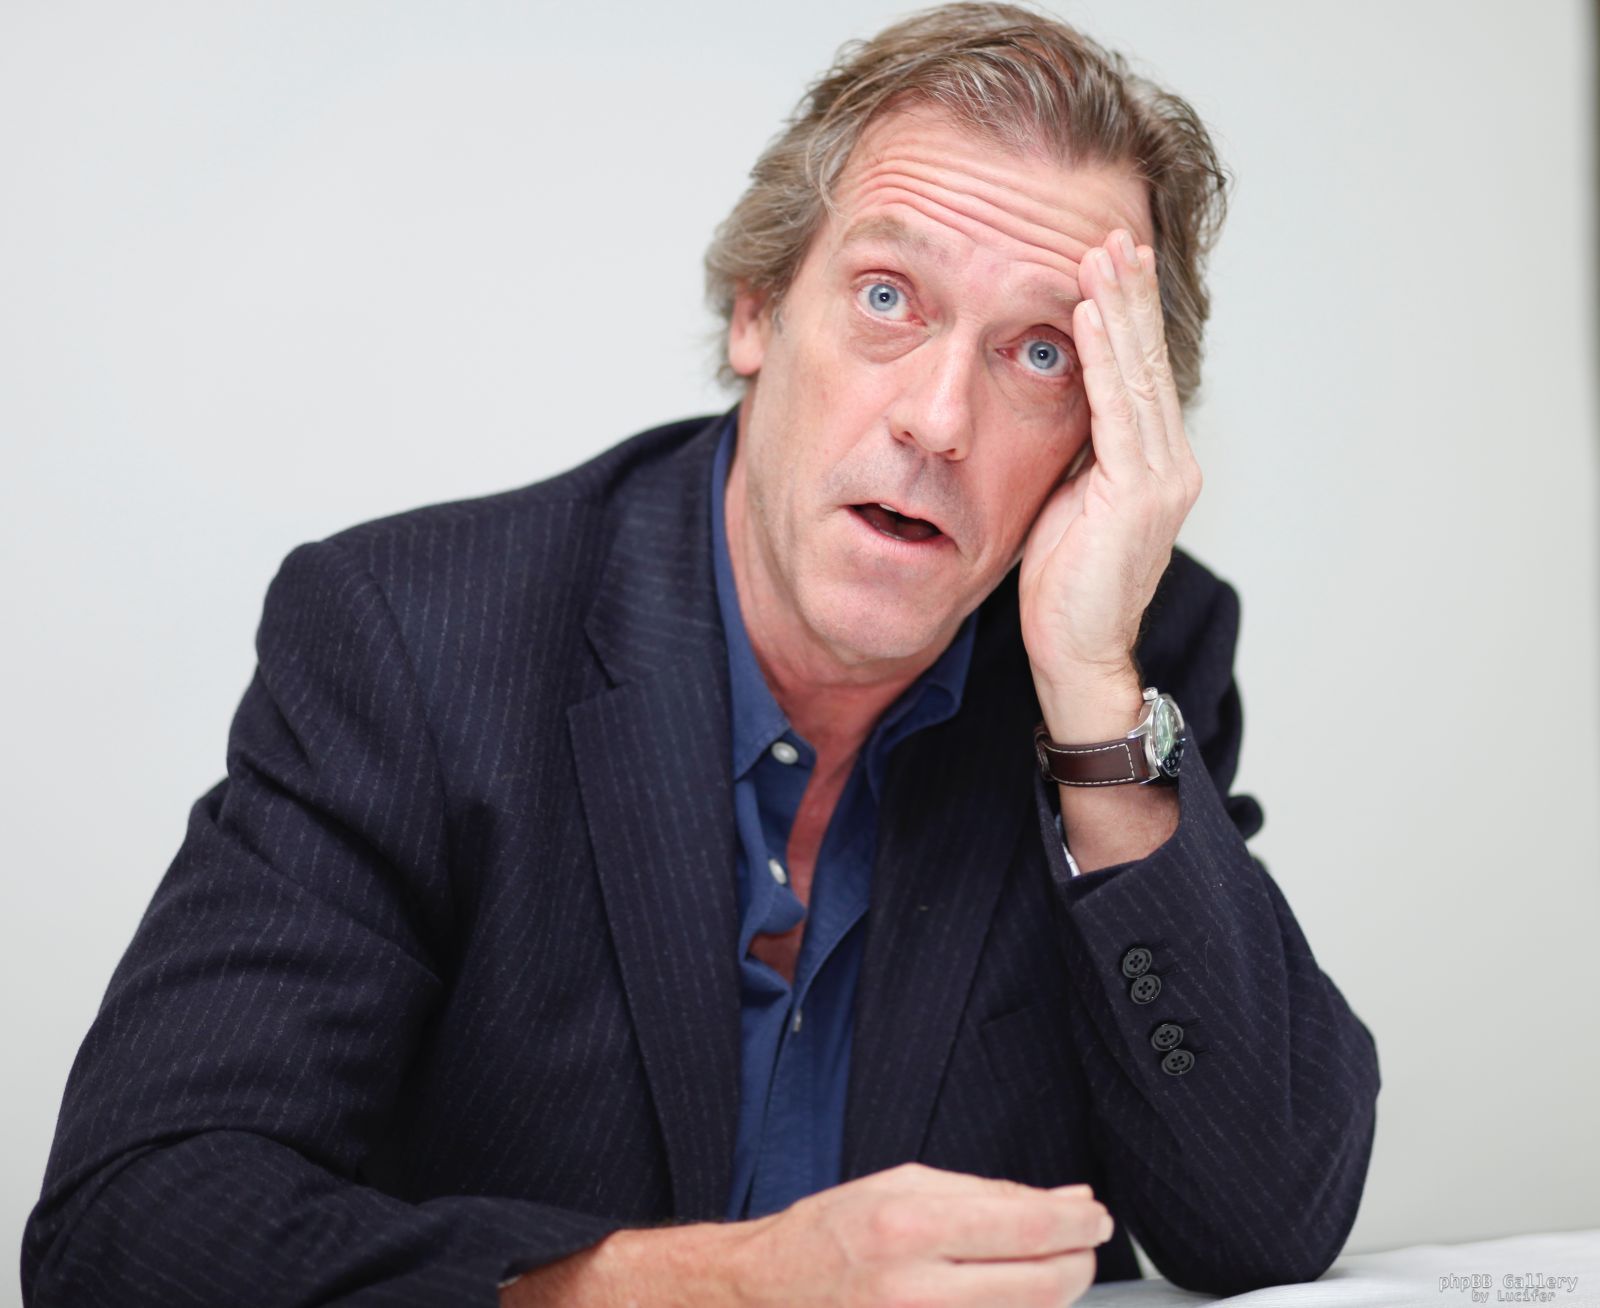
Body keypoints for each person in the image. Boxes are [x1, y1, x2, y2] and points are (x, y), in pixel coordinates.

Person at [21, 5, 1380, 1305]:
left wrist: (1092, 700)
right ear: (756, 312)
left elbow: (1259, 1221)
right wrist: (711, 1291)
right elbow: (129, 1233)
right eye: (888, 296)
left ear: (1101, 439)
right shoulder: (415, 641)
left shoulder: (1126, 665)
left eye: (1040, 354)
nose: (939, 419)